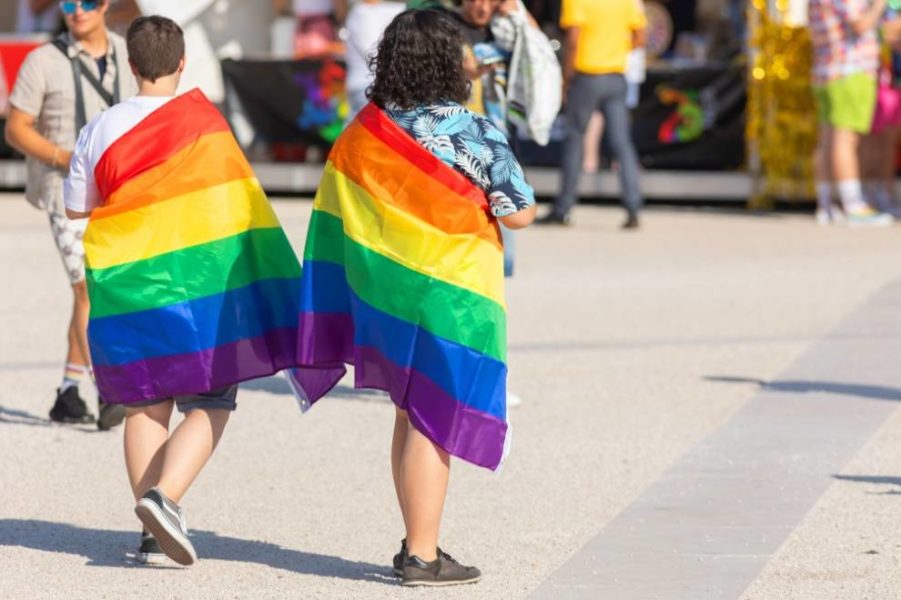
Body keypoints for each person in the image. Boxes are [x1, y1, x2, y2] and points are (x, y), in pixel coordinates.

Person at [290, 8, 535, 586]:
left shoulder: (363, 129)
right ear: (452, 63)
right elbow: (519, 213)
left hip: (386, 297)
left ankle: (416, 541)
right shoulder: (471, 130)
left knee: (408, 411)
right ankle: (423, 556)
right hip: (449, 297)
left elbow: (337, 214)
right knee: (433, 419)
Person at [64, 15, 303, 565]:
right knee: (213, 399)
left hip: (129, 283)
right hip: (199, 291)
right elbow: (238, 205)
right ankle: (165, 497)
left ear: (130, 65)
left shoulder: (100, 127)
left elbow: (79, 206)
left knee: (144, 404)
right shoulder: (207, 125)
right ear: (180, 63)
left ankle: (152, 532)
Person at [6, 0, 136, 429]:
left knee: (94, 290)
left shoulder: (123, 49)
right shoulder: (42, 60)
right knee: (88, 291)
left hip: (115, 192)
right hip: (63, 192)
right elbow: (16, 127)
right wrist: (66, 157)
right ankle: (106, 389)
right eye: (68, 2)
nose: (78, 10)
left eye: (89, 2)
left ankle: (67, 392)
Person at [539, 0, 646, 228]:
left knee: (574, 138)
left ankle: (564, 207)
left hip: (587, 75)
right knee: (621, 143)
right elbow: (641, 37)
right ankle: (633, 207)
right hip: (616, 76)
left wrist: (566, 78)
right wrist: (615, 50)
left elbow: (574, 41)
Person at [810, 0, 894, 225]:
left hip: (826, 70)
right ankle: (854, 204)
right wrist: (879, 5)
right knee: (845, 140)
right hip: (849, 70)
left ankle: (826, 204)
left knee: (828, 139)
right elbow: (860, 24)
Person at [344, 0, 405, 121]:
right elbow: (373, 52)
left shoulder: (400, 8)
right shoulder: (362, 12)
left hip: (390, 87)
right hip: (367, 86)